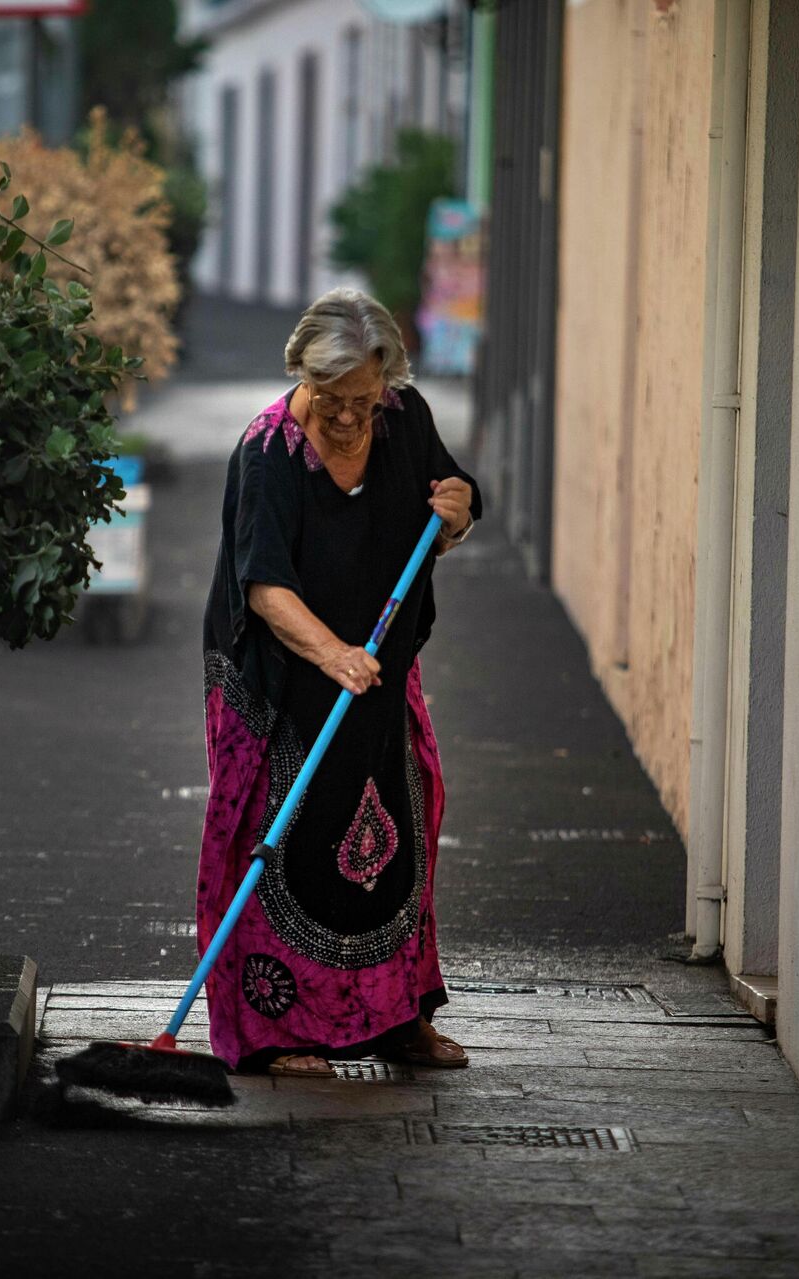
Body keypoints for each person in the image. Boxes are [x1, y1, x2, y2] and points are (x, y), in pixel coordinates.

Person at [196, 288, 482, 1078]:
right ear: (302, 374)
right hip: (281, 673)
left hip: (379, 662)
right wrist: (334, 654)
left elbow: (450, 503)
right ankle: (276, 1031)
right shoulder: (268, 453)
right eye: (333, 397)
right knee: (284, 836)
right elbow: (264, 587)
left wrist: (458, 513)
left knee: (398, 824)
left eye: (365, 396)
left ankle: (400, 1016)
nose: (352, 415)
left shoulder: (405, 417)